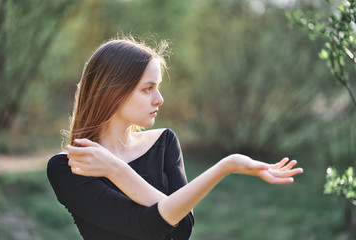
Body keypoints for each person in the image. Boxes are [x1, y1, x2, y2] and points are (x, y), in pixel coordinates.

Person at [47, 37, 303, 240]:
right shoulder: (70, 166)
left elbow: (182, 229)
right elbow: (148, 228)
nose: (159, 99)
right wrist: (225, 167)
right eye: (147, 89)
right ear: (113, 91)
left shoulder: (164, 142)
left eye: (157, 87)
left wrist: (115, 169)